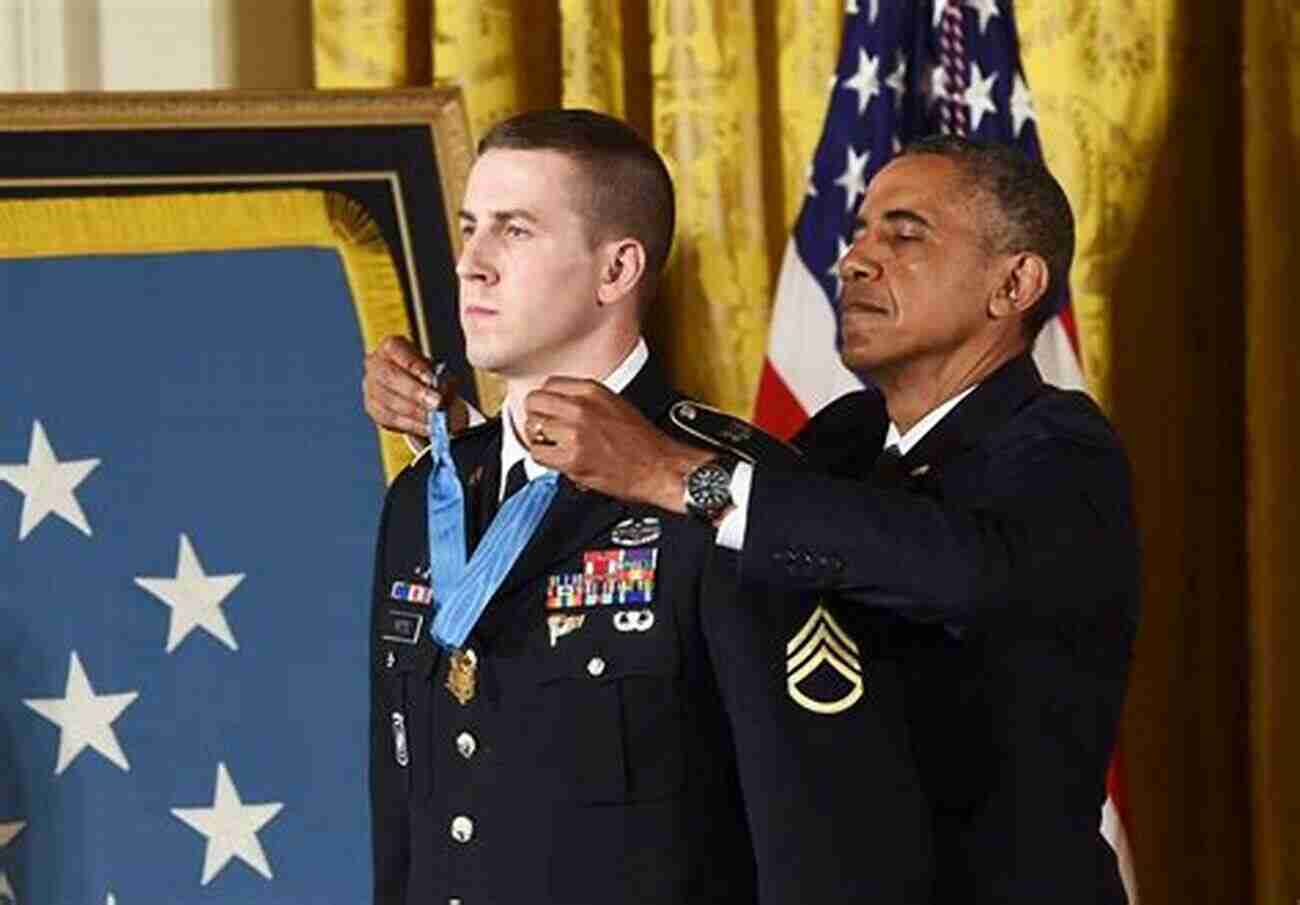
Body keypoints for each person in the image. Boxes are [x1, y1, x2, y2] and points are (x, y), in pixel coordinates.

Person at [365, 135, 1139, 903]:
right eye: (859, 231)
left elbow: (954, 568)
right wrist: (488, 455)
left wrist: (671, 474)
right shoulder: (843, 438)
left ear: (1015, 284)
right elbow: (781, 535)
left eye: (904, 235)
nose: (855, 259)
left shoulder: (1064, 450)